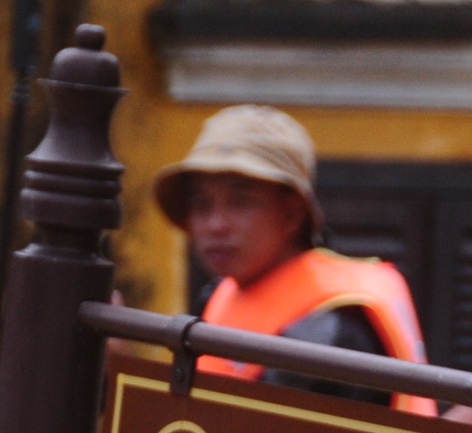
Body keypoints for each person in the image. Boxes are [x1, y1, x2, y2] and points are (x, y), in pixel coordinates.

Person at [153, 106, 431, 413]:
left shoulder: (330, 328)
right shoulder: (220, 293)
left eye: (241, 201)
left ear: (292, 214)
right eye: (201, 204)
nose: (216, 224)